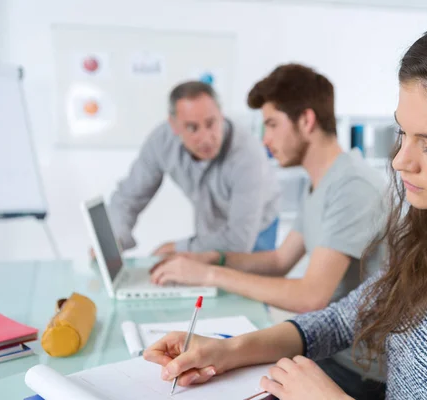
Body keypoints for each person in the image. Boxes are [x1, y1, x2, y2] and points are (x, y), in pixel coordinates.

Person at [143, 6, 427, 399]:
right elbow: (339, 319)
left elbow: (311, 296)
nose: (399, 162)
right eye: (401, 134)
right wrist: (228, 350)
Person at [149, 64, 388, 398]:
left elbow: (310, 296)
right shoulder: (322, 183)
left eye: (272, 125)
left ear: (306, 121)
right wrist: (214, 257)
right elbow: (279, 260)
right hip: (327, 352)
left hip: (356, 372)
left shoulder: (352, 186)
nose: (265, 139)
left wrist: (209, 274)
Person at [107, 81, 281, 255]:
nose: (205, 138)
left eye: (211, 123)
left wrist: (176, 248)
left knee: (249, 278)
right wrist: (114, 239)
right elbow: (128, 197)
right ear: (174, 125)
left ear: (221, 115)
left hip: (255, 228)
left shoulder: (248, 155)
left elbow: (239, 241)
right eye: (192, 128)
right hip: (211, 227)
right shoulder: (162, 141)